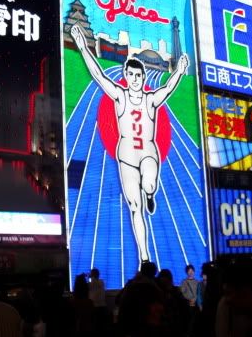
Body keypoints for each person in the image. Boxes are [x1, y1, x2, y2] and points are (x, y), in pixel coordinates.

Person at [71, 24, 189, 264]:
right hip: (126, 156)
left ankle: (150, 193)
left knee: (149, 183)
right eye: (131, 75)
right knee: (135, 207)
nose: (135, 79)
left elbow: (167, 88)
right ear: (126, 75)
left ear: (143, 78)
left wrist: (179, 70)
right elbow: (99, 76)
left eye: (138, 76)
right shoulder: (120, 95)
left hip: (148, 152)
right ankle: (144, 256)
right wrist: (83, 47)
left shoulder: (150, 99)